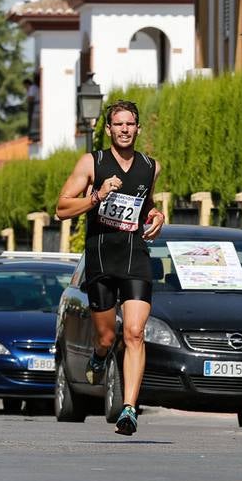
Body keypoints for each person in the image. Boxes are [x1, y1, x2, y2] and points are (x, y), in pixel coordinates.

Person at [55, 100, 165, 436]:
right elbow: (61, 208)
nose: (125, 130)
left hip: (135, 259)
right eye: (118, 124)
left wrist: (156, 215)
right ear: (108, 129)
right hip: (102, 259)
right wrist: (95, 197)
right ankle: (100, 355)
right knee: (106, 336)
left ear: (138, 128)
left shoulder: (151, 166)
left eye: (130, 124)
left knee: (134, 333)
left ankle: (129, 408)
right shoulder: (93, 162)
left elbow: (144, 203)